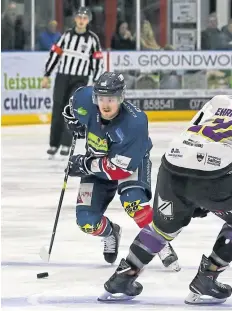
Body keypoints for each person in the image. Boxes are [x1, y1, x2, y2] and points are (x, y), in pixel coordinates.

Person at [98, 65, 232, 304]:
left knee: (163, 227)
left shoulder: (218, 101)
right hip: (214, 177)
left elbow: (194, 135)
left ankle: (122, 277)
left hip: (171, 166)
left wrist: (192, 199)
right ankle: (207, 278)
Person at [62, 72, 180, 270]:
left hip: (129, 164)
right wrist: (72, 120)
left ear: (121, 98)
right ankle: (111, 233)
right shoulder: (83, 99)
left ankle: (160, 243)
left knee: (134, 204)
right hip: (96, 160)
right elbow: (71, 107)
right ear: (94, 98)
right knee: (86, 222)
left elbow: (119, 170)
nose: (106, 104)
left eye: (111, 99)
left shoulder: (135, 123)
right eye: (101, 98)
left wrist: (84, 164)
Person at [42, 7, 103, 158]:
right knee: (57, 108)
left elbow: (97, 61)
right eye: (79, 17)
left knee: (71, 109)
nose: (82, 20)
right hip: (62, 76)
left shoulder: (93, 39)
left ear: (88, 20)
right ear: (75, 19)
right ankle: (53, 144)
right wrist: (47, 74)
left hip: (80, 79)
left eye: (85, 18)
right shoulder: (66, 36)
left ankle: (66, 143)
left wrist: (96, 80)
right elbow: (54, 55)